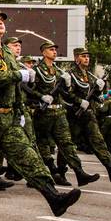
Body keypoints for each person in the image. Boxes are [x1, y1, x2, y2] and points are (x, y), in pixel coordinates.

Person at [0, 8, 81, 221]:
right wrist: (18, 74)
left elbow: (14, 89)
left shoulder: (7, 53)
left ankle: (54, 198)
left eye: (2, 20)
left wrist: (20, 113)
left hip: (8, 118)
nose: (0, 23)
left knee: (29, 157)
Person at [30, 41, 99, 187]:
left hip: (59, 111)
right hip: (43, 113)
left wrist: (68, 87)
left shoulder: (60, 71)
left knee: (66, 143)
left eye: (55, 49)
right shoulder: (37, 70)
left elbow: (66, 94)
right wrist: (41, 97)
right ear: (43, 53)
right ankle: (50, 172)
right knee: (42, 144)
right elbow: (29, 90)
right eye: (51, 49)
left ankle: (79, 173)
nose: (54, 51)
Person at [66, 48, 111, 182]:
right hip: (74, 115)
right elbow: (67, 93)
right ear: (76, 58)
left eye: (88, 56)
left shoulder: (90, 75)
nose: (86, 59)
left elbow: (93, 94)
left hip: (89, 114)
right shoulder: (70, 75)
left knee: (98, 141)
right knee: (67, 144)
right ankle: (61, 172)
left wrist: (99, 95)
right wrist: (79, 101)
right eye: (83, 56)